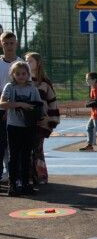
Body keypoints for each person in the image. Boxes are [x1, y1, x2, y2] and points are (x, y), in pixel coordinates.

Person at [0, 60, 42, 196]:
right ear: (13, 74)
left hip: (28, 126)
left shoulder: (32, 88)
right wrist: (21, 104)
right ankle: (13, 185)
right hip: (14, 126)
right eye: (18, 74)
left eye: (24, 73)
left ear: (28, 74)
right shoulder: (10, 87)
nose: (21, 76)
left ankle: (25, 183)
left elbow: (39, 105)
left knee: (26, 156)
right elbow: (2, 103)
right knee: (14, 156)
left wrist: (38, 113)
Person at [25, 52, 59, 186]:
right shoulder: (22, 80)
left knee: (38, 149)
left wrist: (50, 119)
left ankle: (41, 176)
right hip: (25, 121)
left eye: (30, 61)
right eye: (26, 61)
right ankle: (27, 176)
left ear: (38, 63)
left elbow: (52, 102)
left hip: (41, 121)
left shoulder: (45, 82)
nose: (27, 63)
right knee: (26, 149)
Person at [0, 31, 22, 185]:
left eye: (11, 43)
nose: (9, 46)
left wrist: (10, 108)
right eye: (6, 43)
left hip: (15, 111)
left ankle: (14, 176)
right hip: (0, 108)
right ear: (1, 44)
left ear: (16, 44)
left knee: (14, 146)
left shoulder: (21, 64)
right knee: (1, 144)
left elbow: (24, 87)